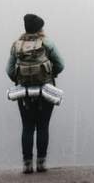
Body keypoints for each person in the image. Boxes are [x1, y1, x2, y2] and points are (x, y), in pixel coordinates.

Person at [6, 13, 65, 174]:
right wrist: (51, 75)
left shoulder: (17, 45)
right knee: (43, 126)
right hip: (45, 91)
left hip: (24, 92)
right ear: (40, 28)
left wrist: (20, 79)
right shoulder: (46, 43)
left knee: (27, 127)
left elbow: (9, 70)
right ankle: (41, 162)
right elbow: (60, 64)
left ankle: (26, 164)